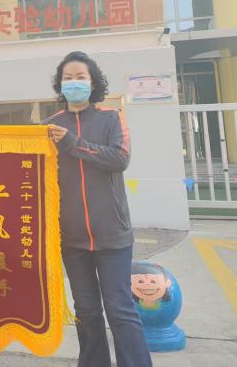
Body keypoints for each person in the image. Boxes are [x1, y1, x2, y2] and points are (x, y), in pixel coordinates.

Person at [45, 51, 152, 367]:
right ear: (60, 84)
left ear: (92, 83)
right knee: (87, 310)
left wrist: (73, 143)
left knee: (120, 310)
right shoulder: (51, 126)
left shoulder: (111, 118)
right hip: (72, 238)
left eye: (80, 77)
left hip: (112, 235)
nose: (73, 83)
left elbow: (119, 158)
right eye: (67, 78)